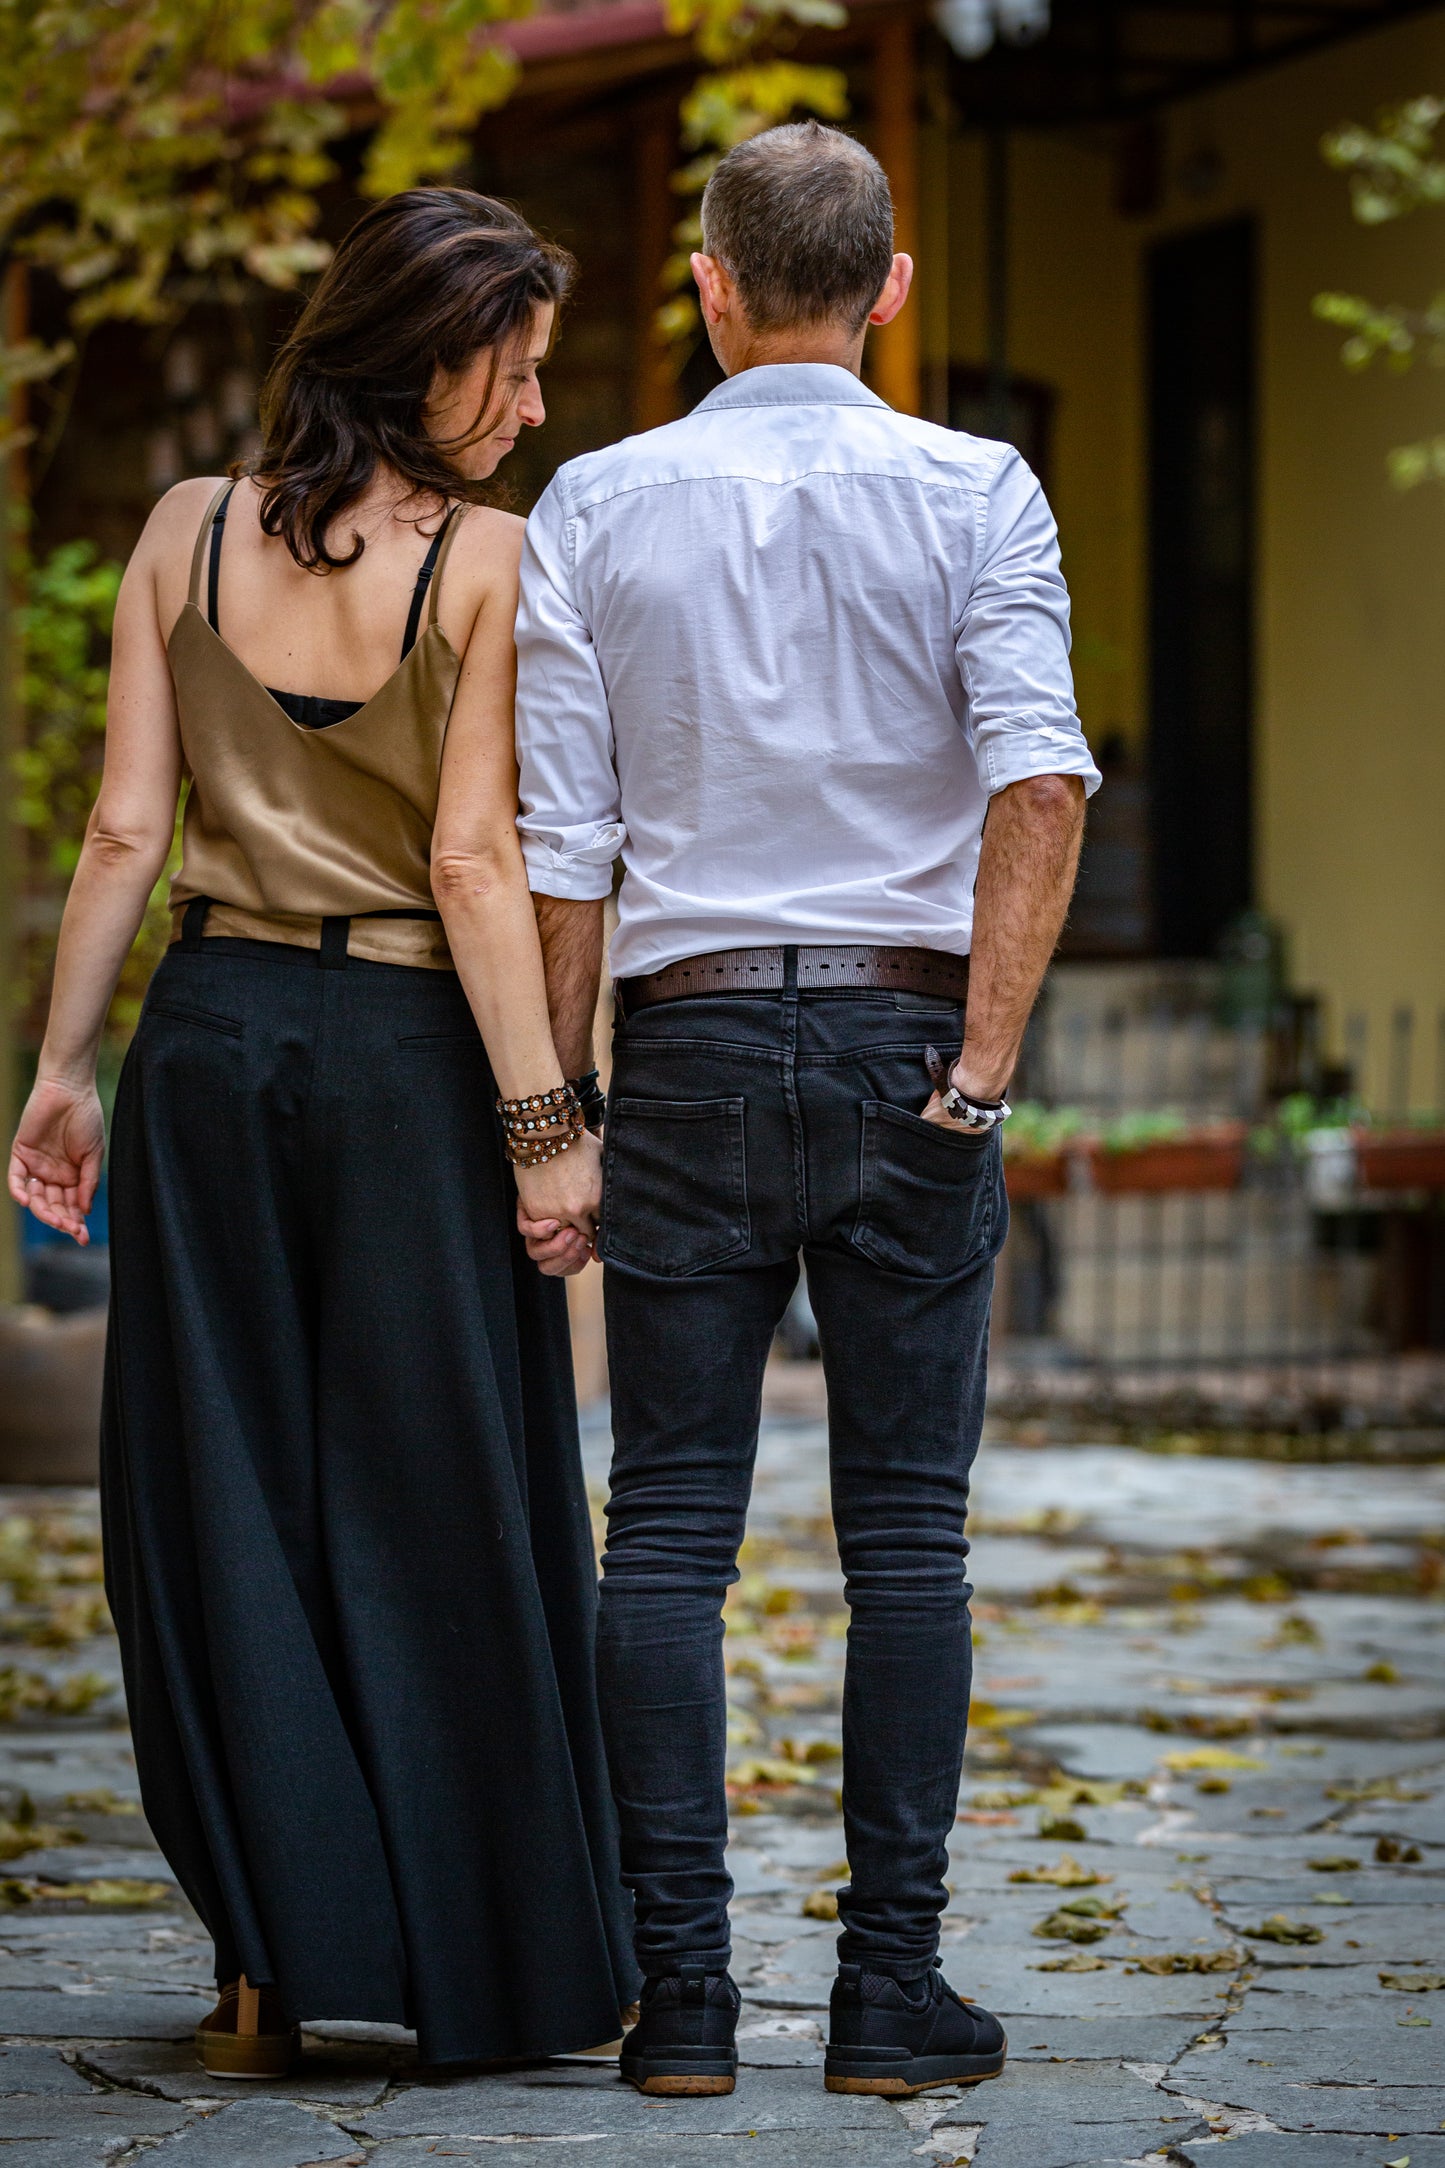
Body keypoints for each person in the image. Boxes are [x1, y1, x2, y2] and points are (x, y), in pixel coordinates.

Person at [8, 187, 636, 2078]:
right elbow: (474, 862)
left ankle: (270, 1963)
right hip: (408, 1059)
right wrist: (547, 1126)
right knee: (438, 1486)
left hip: (206, 1041)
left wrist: (62, 1072)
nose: (533, 406)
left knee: (225, 1494)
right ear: (413, 358)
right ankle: (471, 1957)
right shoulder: (489, 561)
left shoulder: (182, 531)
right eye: (509, 369)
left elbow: (126, 830)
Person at [514, 122, 1100, 2099]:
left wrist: (559, 1113)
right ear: (891, 289)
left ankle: (681, 2001)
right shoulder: (977, 487)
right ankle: (883, 1998)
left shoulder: (593, 501)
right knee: (908, 1543)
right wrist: (980, 1079)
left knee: (668, 1531)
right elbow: (1040, 782)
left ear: (708, 283)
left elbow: (565, 847)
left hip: (683, 1053)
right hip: (905, 1045)